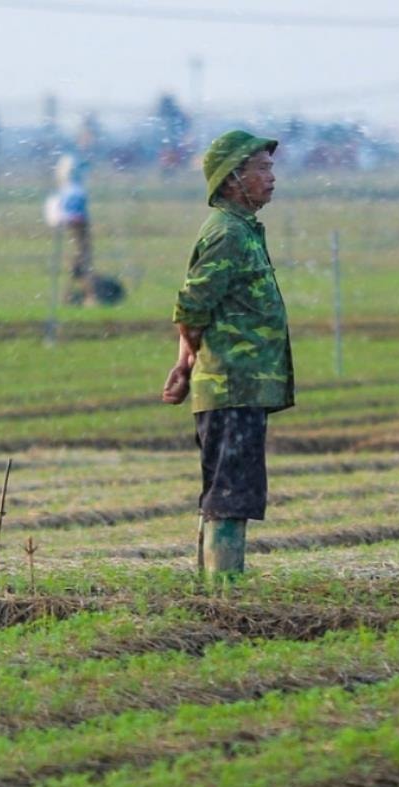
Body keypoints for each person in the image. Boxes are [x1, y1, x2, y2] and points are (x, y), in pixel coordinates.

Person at [163, 130, 294, 579]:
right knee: (231, 491)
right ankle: (224, 594)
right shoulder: (227, 234)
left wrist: (183, 363)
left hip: (240, 385)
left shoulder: (242, 230)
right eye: (261, 168)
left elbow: (196, 308)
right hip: (230, 385)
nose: (271, 177)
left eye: (270, 168)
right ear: (233, 179)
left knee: (229, 487)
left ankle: (215, 587)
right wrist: (184, 364)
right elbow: (192, 306)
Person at [44, 154, 97, 305]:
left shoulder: (67, 190)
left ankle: (70, 296)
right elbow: (76, 214)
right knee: (83, 259)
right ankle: (88, 296)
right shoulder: (75, 190)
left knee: (79, 260)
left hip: (71, 225)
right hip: (77, 225)